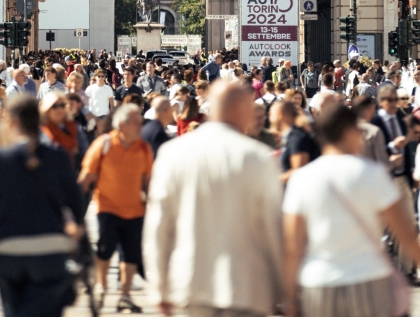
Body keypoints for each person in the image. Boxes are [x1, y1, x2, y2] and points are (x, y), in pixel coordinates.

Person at [143, 81, 283, 317]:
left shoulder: (173, 154)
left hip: (190, 285)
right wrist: (285, 291)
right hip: (247, 288)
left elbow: (159, 226)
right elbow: (273, 228)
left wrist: (159, 287)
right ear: (244, 111)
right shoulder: (257, 158)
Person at [283, 102, 420, 317]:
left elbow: (292, 246)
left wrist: (290, 299)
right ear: (348, 132)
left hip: (319, 285)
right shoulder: (373, 174)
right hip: (370, 281)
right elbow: (406, 235)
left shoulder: (301, 179)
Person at [0, 93, 83, 317]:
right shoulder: (59, 156)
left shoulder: (0, 159)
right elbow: (75, 202)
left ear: (11, 121)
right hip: (50, 245)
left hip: (10, 246)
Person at [79, 103, 153, 312]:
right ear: (122, 124)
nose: (140, 126)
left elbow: (148, 180)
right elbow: (86, 175)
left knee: (131, 254)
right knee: (105, 250)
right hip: (107, 207)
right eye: (136, 122)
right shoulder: (104, 144)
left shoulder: (144, 148)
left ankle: (125, 295)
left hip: (136, 209)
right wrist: (75, 204)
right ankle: (102, 285)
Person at [372, 84, 417, 276]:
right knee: (380, 227)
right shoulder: (375, 123)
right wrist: (392, 146)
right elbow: (374, 149)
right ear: (381, 102)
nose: (392, 103)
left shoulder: (400, 119)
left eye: (394, 99)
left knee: (408, 225)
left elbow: (406, 148)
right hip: (383, 180)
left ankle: (406, 270)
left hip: (401, 179)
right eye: (388, 100)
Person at [39, 92, 79, 169]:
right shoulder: (41, 132)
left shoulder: (72, 127)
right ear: (46, 109)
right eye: (54, 106)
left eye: (62, 105)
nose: (59, 109)